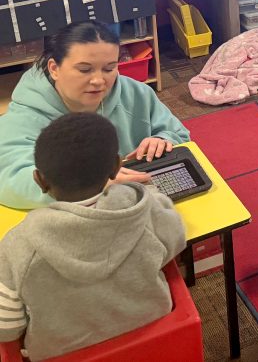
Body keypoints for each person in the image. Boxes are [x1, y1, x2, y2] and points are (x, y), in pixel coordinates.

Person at [0, 112, 185, 360]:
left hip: (63, 353)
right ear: (116, 167)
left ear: (40, 180)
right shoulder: (146, 209)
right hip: (157, 338)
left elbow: (7, 328)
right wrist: (150, 192)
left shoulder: (16, 246)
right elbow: (176, 241)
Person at [0, 21, 190, 210]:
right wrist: (87, 188)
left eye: (109, 68)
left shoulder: (137, 93)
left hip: (136, 204)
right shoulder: (25, 116)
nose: (99, 80)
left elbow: (179, 135)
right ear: (54, 69)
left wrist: (162, 140)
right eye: (84, 70)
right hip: (72, 215)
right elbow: (9, 180)